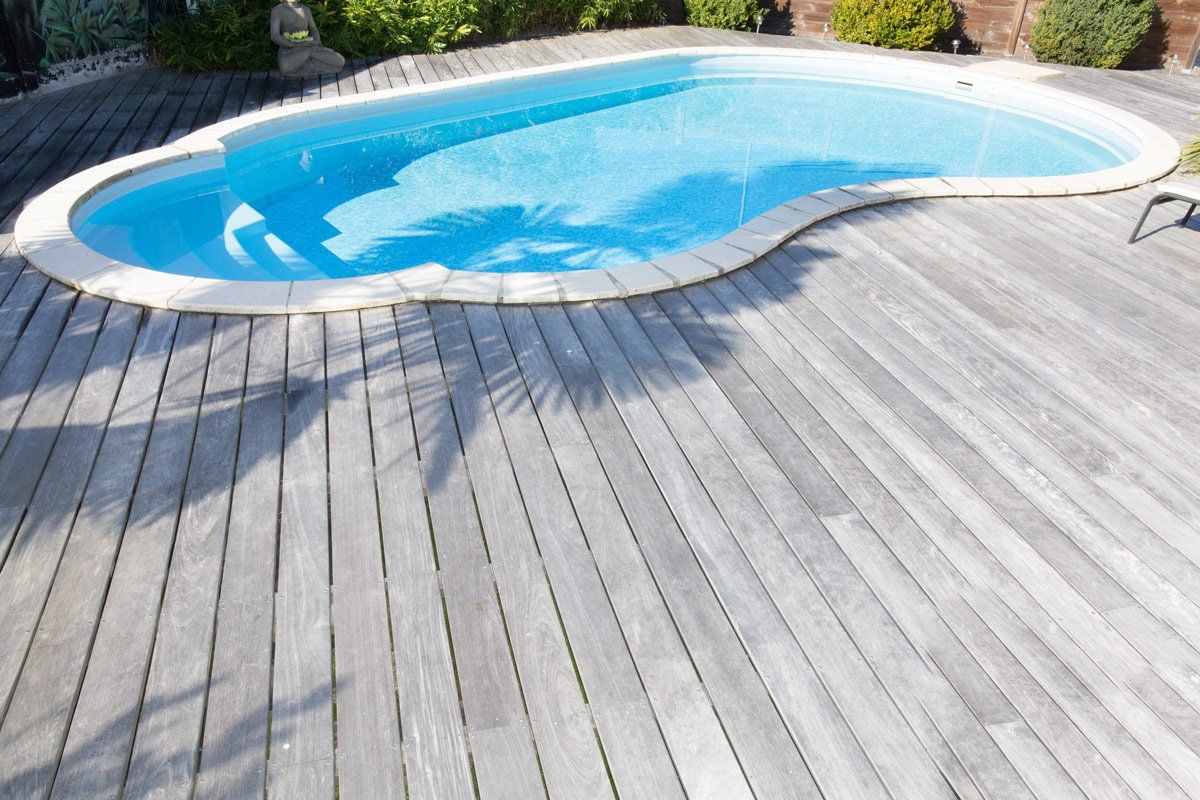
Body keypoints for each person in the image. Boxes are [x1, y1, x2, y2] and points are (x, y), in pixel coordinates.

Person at [270, 0, 344, 77]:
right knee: (286, 66)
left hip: (308, 45)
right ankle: (309, 56)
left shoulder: (305, 9)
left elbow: (313, 29)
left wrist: (318, 44)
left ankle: (309, 54)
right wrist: (292, 45)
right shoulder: (277, 10)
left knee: (340, 61)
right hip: (289, 50)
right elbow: (275, 36)